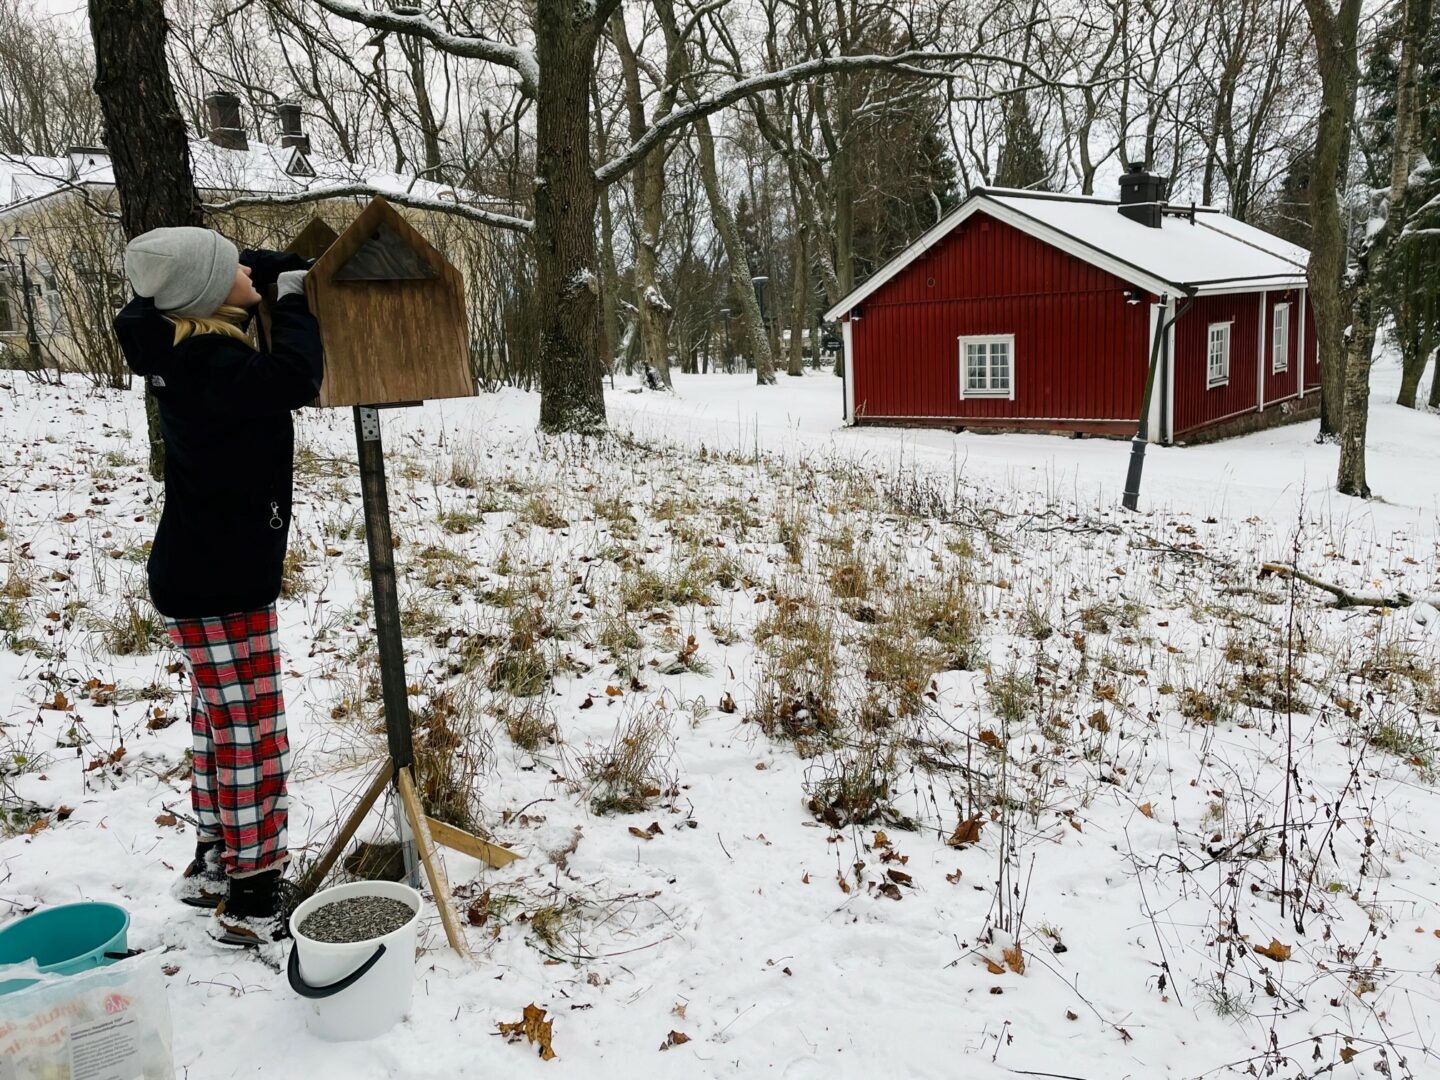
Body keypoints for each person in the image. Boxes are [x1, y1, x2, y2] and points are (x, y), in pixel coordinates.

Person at [114, 227, 322, 946]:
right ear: (205, 291)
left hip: (202, 570)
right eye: (234, 265)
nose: (249, 268)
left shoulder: (173, 342)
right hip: (221, 578)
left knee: (219, 728)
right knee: (252, 735)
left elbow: (229, 271)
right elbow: (296, 378)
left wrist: (274, 265)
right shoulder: (211, 363)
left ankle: (215, 862)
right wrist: (294, 299)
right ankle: (255, 892)